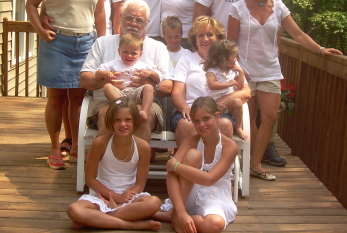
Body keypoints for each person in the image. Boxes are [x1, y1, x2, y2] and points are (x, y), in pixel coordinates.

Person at [227, 0, 343, 181]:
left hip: (270, 70)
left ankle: (255, 164)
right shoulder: (239, 8)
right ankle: (243, 162)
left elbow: (298, 35)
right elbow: (230, 42)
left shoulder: (278, 8)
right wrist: (238, 68)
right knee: (247, 120)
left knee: (269, 117)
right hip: (245, 72)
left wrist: (320, 49)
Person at [193, 0, 286, 166]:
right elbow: (200, 12)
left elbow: (276, 15)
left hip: (258, 56)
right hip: (223, 53)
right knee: (239, 106)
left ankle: (259, 154)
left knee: (263, 111)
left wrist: (276, 49)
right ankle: (237, 158)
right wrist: (202, 45)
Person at [25, 0, 105, 169]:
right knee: (56, 98)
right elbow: (30, 4)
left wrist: (102, 44)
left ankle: (77, 148)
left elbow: (100, 13)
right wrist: (40, 29)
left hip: (86, 44)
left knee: (79, 99)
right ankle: (53, 146)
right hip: (57, 43)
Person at [80, 0, 172, 144]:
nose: (133, 23)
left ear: (147, 23)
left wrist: (151, 84)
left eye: (140, 20)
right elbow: (84, 79)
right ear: (120, 18)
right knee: (111, 117)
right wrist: (104, 81)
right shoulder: (102, 43)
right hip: (106, 102)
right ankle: (104, 164)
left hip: (146, 103)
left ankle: (138, 165)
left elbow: (168, 86)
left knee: (142, 118)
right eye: (128, 17)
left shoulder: (158, 47)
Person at [67, 97, 162, 231]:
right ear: (111, 122)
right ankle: (131, 224)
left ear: (135, 121)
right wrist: (115, 196)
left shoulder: (143, 147)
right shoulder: (100, 143)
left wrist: (124, 198)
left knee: (154, 203)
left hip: (130, 198)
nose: (122, 124)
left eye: (127, 120)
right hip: (101, 196)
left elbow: (140, 184)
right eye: (117, 120)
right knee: (74, 210)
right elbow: (89, 178)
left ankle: (100, 219)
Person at [154, 97, 238, 233]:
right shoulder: (190, 142)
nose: (201, 125)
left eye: (206, 119)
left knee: (214, 225)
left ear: (217, 116)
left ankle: (172, 217)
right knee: (193, 155)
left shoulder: (229, 147)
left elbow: (210, 179)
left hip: (215, 195)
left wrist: (176, 166)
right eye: (196, 121)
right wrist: (181, 211)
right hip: (188, 193)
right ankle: (177, 214)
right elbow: (171, 176)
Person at [171, 16, 251, 146]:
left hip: (219, 113)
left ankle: (217, 165)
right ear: (195, 40)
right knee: (187, 125)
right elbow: (177, 92)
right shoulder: (186, 60)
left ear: (218, 38)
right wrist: (185, 108)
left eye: (210, 34)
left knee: (224, 124)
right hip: (191, 111)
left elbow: (246, 92)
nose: (205, 39)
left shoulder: (229, 61)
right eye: (200, 35)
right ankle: (189, 164)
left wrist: (225, 100)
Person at [98, 33, 161, 120]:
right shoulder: (113, 63)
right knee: (107, 86)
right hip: (120, 94)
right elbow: (97, 74)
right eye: (125, 52)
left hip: (136, 93)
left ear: (140, 54)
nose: (129, 56)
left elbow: (158, 78)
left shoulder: (143, 66)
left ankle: (145, 111)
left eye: (134, 53)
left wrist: (149, 73)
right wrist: (105, 74)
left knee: (149, 87)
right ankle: (122, 107)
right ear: (119, 51)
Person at [203, 40, 247, 140]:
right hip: (213, 104)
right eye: (234, 57)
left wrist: (241, 72)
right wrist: (228, 84)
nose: (236, 59)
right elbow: (211, 85)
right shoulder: (213, 71)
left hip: (228, 106)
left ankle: (238, 127)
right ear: (223, 59)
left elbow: (240, 86)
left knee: (237, 102)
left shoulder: (232, 71)